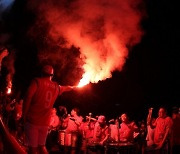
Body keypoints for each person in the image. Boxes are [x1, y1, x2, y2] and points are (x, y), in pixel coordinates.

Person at [22, 64, 77, 154]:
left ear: (41, 73)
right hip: (45, 123)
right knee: (41, 146)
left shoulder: (37, 82)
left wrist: (24, 115)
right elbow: (66, 88)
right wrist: (73, 88)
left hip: (33, 120)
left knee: (33, 149)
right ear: (52, 75)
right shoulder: (56, 87)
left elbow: (28, 96)